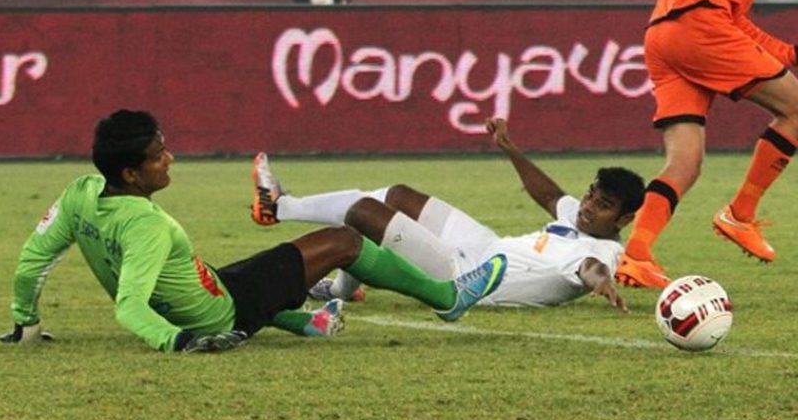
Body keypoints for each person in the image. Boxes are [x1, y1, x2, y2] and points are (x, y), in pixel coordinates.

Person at [0, 110, 507, 352]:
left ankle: (308, 323)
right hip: (224, 311)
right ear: (131, 173)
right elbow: (128, 307)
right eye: (158, 155)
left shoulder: (81, 193)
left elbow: (32, 261)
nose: (169, 158)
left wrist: (26, 321)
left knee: (236, 273)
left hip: (204, 291)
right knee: (345, 241)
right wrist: (179, 342)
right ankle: (448, 298)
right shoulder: (149, 226)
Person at [615, 0, 798, 289]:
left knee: (686, 162)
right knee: (797, 108)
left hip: (667, 36)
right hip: (695, 26)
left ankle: (636, 254)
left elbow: (734, 21)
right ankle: (741, 214)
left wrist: (788, 54)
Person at [250, 118, 645, 313]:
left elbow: (590, 267)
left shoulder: (602, 251)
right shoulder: (578, 216)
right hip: (485, 247)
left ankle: (280, 207)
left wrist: (602, 283)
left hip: (464, 278)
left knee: (363, 213)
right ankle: (342, 288)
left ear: (623, 220)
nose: (588, 207)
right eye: (591, 194)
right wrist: (508, 147)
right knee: (399, 196)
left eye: (603, 205)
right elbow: (549, 194)